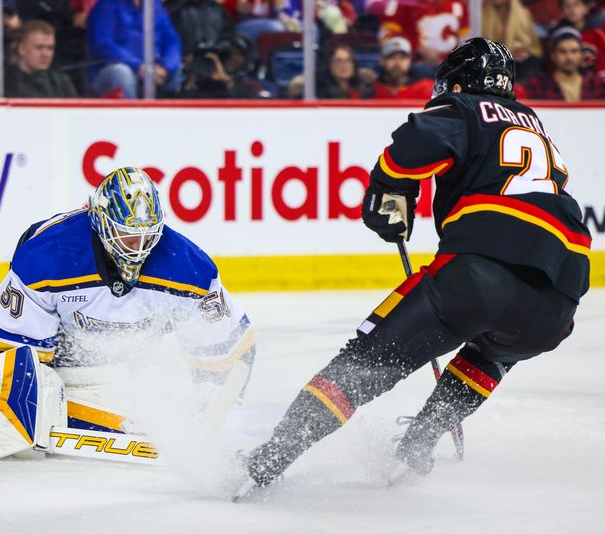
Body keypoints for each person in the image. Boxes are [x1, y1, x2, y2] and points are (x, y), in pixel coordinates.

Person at [235, 38, 590, 496]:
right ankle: (417, 446)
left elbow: (415, 141)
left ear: (463, 81)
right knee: (492, 350)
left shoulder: (465, 108)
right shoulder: (536, 126)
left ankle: (267, 461)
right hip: (561, 299)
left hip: (483, 272)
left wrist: (391, 187)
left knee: (363, 362)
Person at [0, 167, 256, 443]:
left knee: (157, 395)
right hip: (56, 345)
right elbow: (3, 343)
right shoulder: (49, 255)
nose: (138, 246)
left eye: (148, 235)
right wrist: (23, 402)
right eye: (127, 234)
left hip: (132, 356)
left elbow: (228, 349)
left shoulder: (189, 267)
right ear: (101, 222)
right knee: (35, 400)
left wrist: (217, 407)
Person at [87, 0, 183, 98]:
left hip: (153, 68)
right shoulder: (106, 5)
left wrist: (166, 68)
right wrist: (139, 66)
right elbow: (103, 45)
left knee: (176, 70)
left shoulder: (155, 6)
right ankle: (131, 112)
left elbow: (172, 41)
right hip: (114, 70)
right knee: (122, 73)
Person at [378, 0, 470, 79]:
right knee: (421, 71)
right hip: (414, 62)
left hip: (450, 64)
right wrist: (418, 47)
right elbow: (388, 35)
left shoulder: (458, 4)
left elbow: (465, 35)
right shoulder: (404, 3)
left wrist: (456, 57)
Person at [524, 26, 605, 100]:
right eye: (562, 52)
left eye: (574, 51)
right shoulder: (538, 86)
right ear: (553, 55)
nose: (569, 57)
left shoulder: (596, 84)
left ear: (581, 54)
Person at [4, 19, 78, 98]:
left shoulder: (62, 83)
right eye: (39, 47)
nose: (46, 54)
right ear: (21, 49)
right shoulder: (5, 84)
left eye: (50, 48)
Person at [481, 0, 543, 80]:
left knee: (531, 62)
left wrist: (524, 52)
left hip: (519, 64)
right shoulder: (482, 14)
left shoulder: (523, 13)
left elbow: (534, 46)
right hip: (493, 62)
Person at [367, 36, 434, 99]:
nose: (397, 62)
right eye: (391, 57)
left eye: (403, 58)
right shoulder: (371, 90)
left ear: (410, 60)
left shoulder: (427, 89)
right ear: (382, 60)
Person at [554, 0, 605, 76]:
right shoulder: (557, 36)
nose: (572, 10)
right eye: (567, 6)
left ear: (586, 8)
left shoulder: (596, 34)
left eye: (576, 5)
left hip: (596, 80)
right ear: (561, 11)